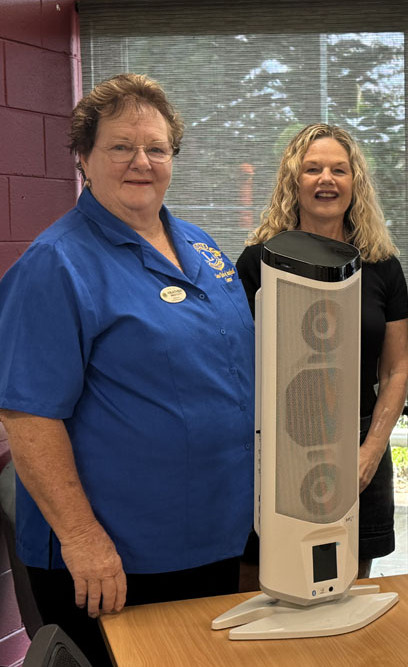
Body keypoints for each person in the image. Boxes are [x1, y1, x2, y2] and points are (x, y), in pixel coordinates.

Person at [0, 73, 253, 666]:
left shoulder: (202, 248)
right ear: (84, 158)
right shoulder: (55, 265)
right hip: (115, 560)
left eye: (157, 148)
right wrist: (84, 541)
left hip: (212, 538)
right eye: (121, 147)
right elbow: (28, 415)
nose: (141, 161)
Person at [235, 123, 408, 578]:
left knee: (346, 591)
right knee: (266, 582)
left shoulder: (382, 265)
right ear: (295, 181)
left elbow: (396, 370)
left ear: (356, 183)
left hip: (360, 449)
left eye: (339, 169)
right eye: (312, 169)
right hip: (278, 448)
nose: (326, 179)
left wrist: (369, 452)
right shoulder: (259, 261)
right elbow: (240, 363)